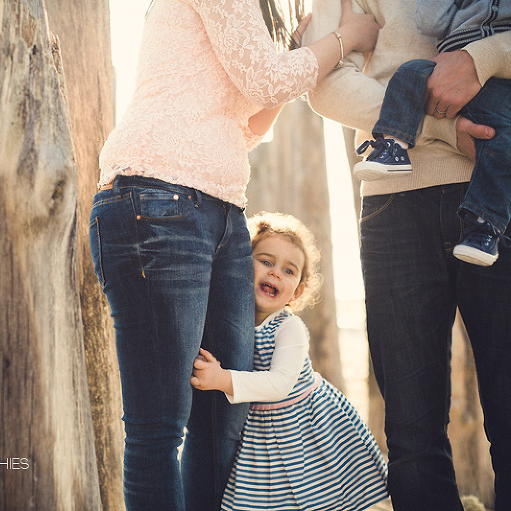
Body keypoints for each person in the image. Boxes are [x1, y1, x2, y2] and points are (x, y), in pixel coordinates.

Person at [88, 0, 379, 509]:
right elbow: (267, 82)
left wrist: (294, 51)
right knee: (160, 426)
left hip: (221, 212)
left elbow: (250, 125)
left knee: (222, 415)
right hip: (156, 199)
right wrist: (349, 36)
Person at [303, 1, 511, 509]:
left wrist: (482, 58)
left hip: (499, 193)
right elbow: (324, 82)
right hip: (393, 202)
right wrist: (440, 128)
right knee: (412, 439)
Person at [190, 212, 389, 511]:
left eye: (288, 270)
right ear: (241, 264)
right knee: (267, 496)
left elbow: (280, 383)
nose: (275, 274)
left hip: (306, 423)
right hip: (263, 427)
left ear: (297, 291)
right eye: (266, 261)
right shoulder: (232, 320)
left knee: (317, 493)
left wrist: (221, 379)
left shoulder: (289, 328)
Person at [352, 0, 511, 266]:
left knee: (502, 145)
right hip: (441, 71)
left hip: (503, 85)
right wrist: (442, 129)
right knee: (409, 72)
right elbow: (431, 22)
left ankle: (484, 228)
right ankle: (394, 147)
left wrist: (487, 57)